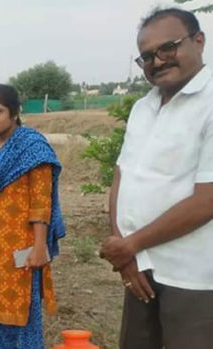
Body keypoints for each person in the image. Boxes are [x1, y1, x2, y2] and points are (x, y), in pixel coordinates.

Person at [100, 8, 213, 349]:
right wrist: (124, 250)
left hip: (192, 275)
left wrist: (130, 245)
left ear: (198, 41)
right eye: (147, 56)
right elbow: (123, 175)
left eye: (168, 48)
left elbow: (207, 199)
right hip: (139, 267)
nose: (158, 61)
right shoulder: (143, 107)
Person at [0, 84, 65, 349]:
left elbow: (41, 203)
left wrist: (40, 247)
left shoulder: (32, 147)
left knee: (23, 310)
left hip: (22, 244)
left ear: (14, 112)